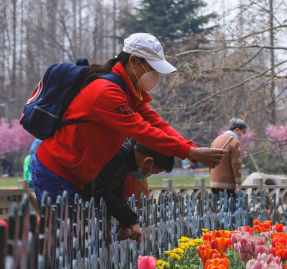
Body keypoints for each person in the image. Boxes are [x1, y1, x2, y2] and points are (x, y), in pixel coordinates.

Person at [30, 32, 225, 203]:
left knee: (74, 237)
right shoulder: (107, 92)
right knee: (64, 238)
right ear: (133, 62)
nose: (155, 75)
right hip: (55, 169)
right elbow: (142, 131)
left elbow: (156, 122)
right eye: (152, 69)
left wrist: (191, 148)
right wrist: (189, 153)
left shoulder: (128, 93)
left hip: (74, 173)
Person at [82, 139, 173, 244]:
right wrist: (132, 221)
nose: (150, 174)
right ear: (148, 161)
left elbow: (117, 191)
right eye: (155, 171)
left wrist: (126, 222)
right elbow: (101, 192)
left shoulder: (125, 157)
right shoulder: (117, 155)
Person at [209, 118, 248, 196]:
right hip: (228, 185)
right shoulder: (235, 142)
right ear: (237, 130)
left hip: (214, 183)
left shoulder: (216, 140)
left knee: (217, 207)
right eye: (242, 133)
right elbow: (236, 164)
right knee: (229, 207)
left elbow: (210, 160)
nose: (242, 136)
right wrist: (238, 183)